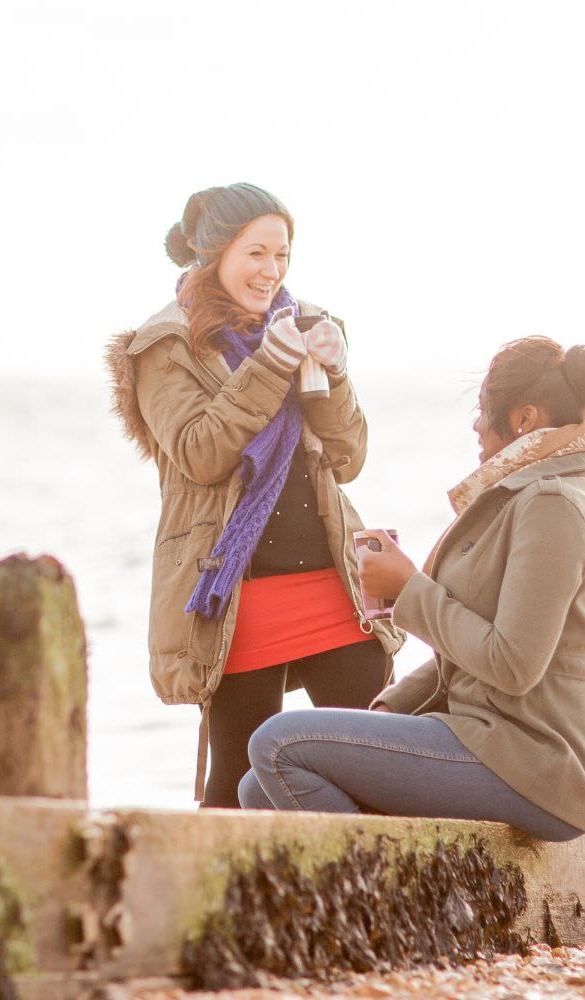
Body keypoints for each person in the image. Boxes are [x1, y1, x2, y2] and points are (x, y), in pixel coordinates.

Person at [239, 335, 585, 840]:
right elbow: (464, 653)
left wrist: (408, 591)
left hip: (540, 759)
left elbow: (512, 663)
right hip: (488, 738)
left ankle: (376, 908)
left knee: (276, 743)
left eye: (483, 407)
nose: (475, 422)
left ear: (525, 418)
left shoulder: (551, 505)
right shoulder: (516, 497)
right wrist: (386, 716)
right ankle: (383, 897)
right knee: (256, 790)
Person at [105, 182, 404, 807]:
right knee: (236, 789)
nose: (271, 272)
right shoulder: (165, 347)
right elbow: (199, 452)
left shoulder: (308, 326)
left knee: (379, 768)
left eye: (283, 256)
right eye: (256, 254)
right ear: (213, 253)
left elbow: (347, 458)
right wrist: (269, 367)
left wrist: (335, 375)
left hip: (333, 585)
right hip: (237, 597)